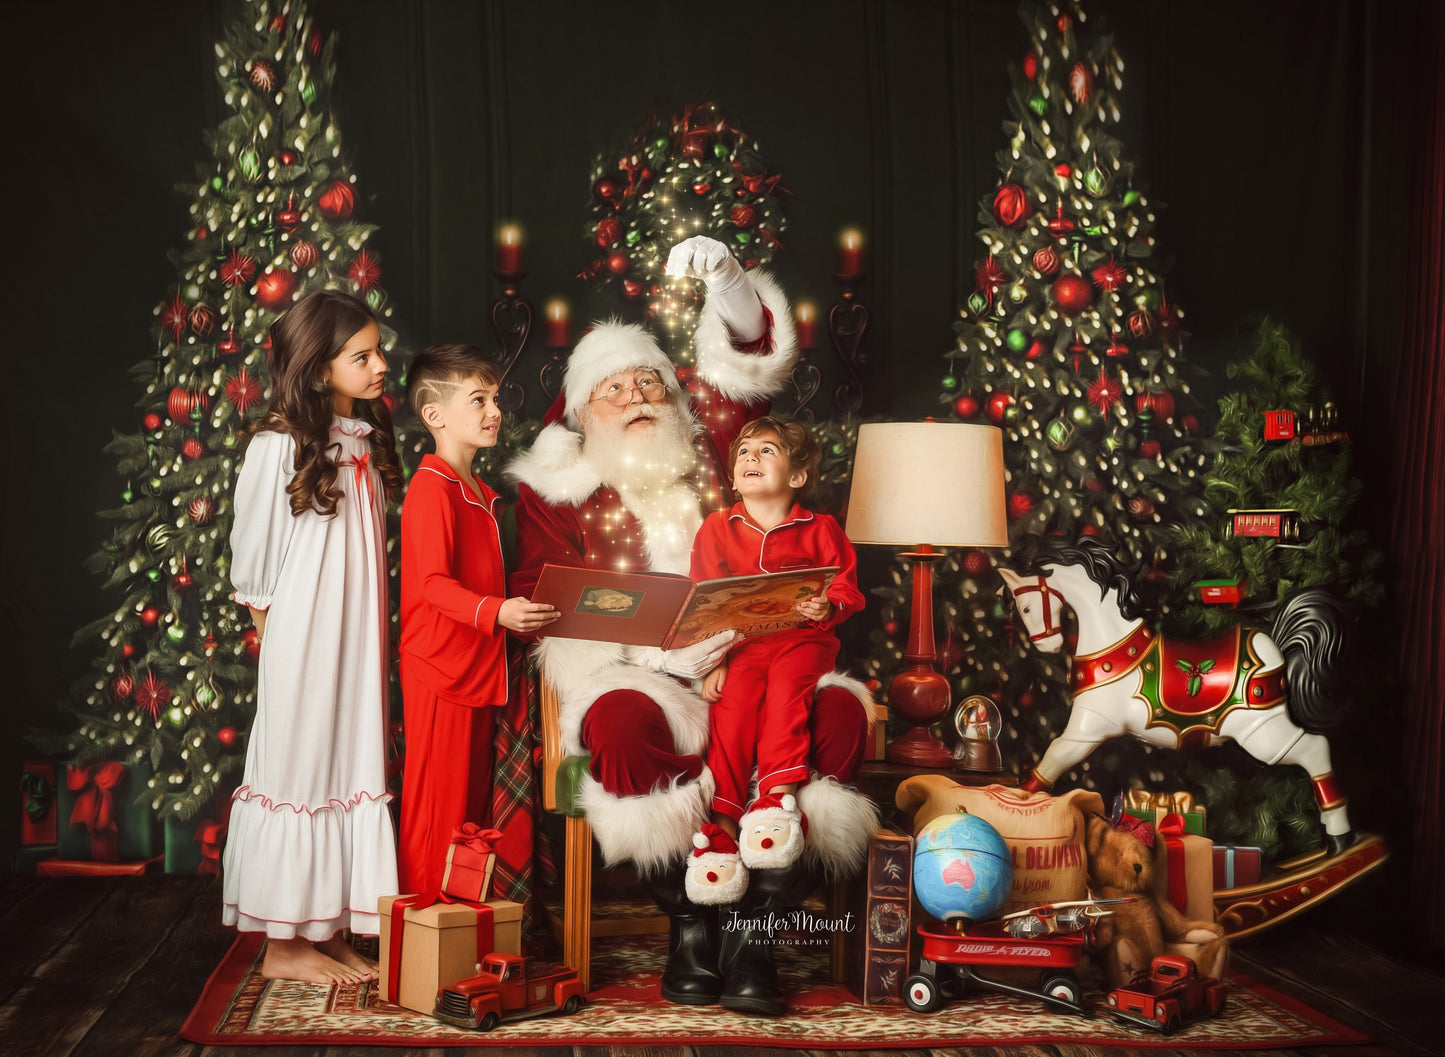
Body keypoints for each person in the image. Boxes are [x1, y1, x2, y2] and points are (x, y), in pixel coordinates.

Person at [507, 236, 878, 1016]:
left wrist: (729, 278)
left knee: (840, 712)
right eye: (614, 388)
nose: (638, 394)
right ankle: (690, 922)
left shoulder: (712, 440)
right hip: (637, 670)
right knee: (615, 719)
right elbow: (543, 593)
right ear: (582, 415)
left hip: (756, 657)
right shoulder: (561, 488)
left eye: (650, 380)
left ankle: (752, 927)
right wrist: (655, 647)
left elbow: (746, 353)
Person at [224, 290, 402, 985]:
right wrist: (283, 653)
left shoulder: (361, 442)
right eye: (363, 356)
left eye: (378, 352)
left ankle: (321, 927)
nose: (381, 365)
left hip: (355, 637)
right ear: (320, 367)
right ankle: (282, 942)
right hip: (304, 639)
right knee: (299, 771)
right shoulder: (278, 446)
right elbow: (255, 563)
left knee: (348, 767)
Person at [683, 416, 865, 908]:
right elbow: (704, 601)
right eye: (744, 452)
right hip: (741, 644)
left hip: (802, 641)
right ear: (732, 475)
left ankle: (774, 804)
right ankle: (722, 827)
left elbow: (847, 588)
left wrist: (828, 605)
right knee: (733, 707)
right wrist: (715, 661)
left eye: (767, 451)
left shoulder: (821, 528)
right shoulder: (717, 528)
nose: (751, 458)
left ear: (798, 476)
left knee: (787, 693)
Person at [397, 344, 558, 898]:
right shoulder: (431, 487)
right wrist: (499, 611)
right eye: (478, 400)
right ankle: (421, 923)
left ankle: (459, 925)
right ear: (434, 415)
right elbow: (430, 584)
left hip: (477, 671)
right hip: (441, 671)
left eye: (494, 398)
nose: (495, 411)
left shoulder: (479, 494)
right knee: (437, 814)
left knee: (467, 818)